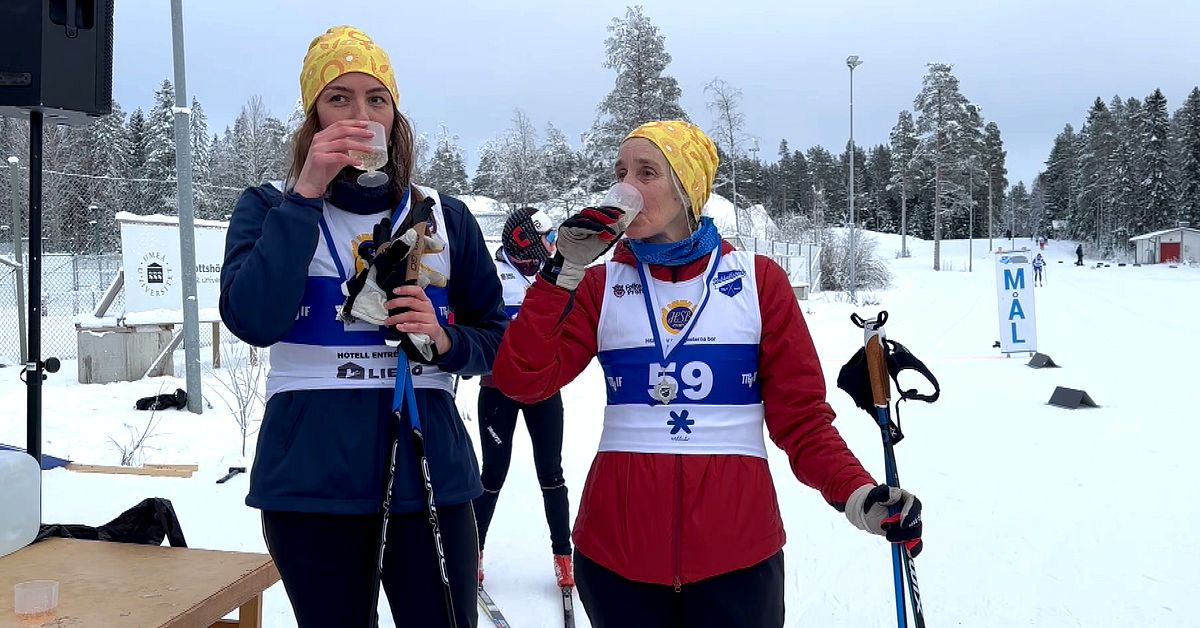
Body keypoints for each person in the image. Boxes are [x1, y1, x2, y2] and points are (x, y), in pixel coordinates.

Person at [492, 120, 924, 627]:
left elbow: (802, 421)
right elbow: (523, 380)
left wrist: (858, 493)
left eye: (646, 172)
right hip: (615, 563)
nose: (624, 188)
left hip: (738, 563)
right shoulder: (598, 285)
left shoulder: (759, 282)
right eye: (620, 171)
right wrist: (560, 271)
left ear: (688, 188)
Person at [219, 26, 506, 628]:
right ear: (313, 118)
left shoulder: (444, 216)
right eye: (339, 98)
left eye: (376, 99)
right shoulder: (271, 206)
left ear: (395, 116)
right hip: (311, 481)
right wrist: (306, 194)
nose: (359, 113)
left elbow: (497, 340)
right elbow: (254, 320)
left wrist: (446, 338)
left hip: (429, 476)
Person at [474, 207, 574, 587]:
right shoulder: (493, 278)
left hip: (544, 388)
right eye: (546, 238)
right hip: (497, 389)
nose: (552, 245)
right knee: (492, 475)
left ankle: (563, 556)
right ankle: (474, 552)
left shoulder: (553, 276)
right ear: (526, 240)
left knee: (552, 473)